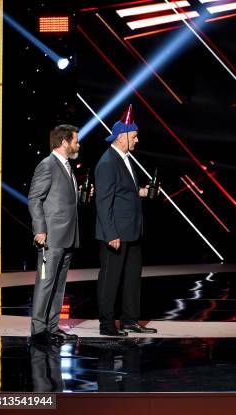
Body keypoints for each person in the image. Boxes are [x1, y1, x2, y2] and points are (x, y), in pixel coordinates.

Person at [94, 105, 157, 337]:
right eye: (134, 136)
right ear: (122, 137)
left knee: (132, 278)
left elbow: (123, 191)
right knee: (110, 280)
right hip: (116, 234)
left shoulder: (125, 158)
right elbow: (103, 202)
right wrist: (111, 234)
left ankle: (130, 320)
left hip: (131, 231)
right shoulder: (107, 162)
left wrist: (141, 192)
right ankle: (107, 325)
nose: (137, 140)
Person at [28, 124, 83, 345]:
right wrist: (40, 229)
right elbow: (34, 198)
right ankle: (39, 330)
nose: (78, 144)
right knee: (46, 282)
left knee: (59, 285)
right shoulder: (47, 165)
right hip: (51, 235)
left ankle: (52, 326)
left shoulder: (67, 166)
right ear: (64, 142)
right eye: (75, 141)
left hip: (67, 235)